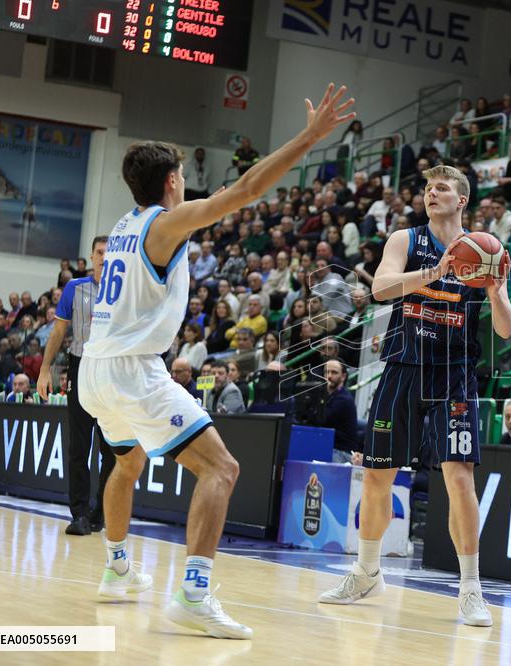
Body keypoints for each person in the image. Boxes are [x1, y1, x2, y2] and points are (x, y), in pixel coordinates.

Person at [77, 83, 354, 639]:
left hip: (94, 371)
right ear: (174, 181)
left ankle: (116, 570)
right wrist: (310, 137)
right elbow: (251, 187)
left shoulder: (127, 226)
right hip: (133, 370)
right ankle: (194, 593)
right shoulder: (165, 223)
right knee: (222, 468)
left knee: (127, 465)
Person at [318, 164, 511, 628]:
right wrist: (435, 271)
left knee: (459, 478)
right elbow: (381, 288)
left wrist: (494, 290)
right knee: (376, 476)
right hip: (405, 366)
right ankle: (367, 571)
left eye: (442, 188)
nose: (432, 194)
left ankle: (471, 589)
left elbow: (504, 328)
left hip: (455, 374)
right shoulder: (406, 240)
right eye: (427, 188)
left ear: (462, 199)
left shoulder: (489, 251)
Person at [36, 236, 116, 537]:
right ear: (91, 256)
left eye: (109, 253)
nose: (104, 258)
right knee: (79, 447)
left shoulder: (124, 290)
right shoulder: (74, 288)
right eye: (99, 252)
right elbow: (58, 332)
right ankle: (80, 514)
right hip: (81, 368)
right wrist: (45, 370)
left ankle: (100, 512)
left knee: (111, 448)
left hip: (112, 372)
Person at [318, 359, 359, 463]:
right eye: (326, 372)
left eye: (334, 372)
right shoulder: (325, 395)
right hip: (327, 447)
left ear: (344, 376)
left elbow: (321, 420)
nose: (329, 376)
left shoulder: (344, 399)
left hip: (341, 452)